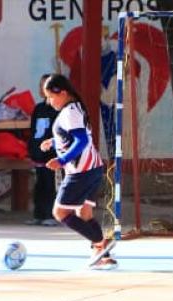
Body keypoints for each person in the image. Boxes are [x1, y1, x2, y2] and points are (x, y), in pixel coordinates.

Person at [40, 74, 116, 269]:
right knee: (84, 212)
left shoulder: (69, 112)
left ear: (63, 93)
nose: (49, 102)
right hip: (94, 168)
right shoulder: (75, 108)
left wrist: (62, 160)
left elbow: (82, 140)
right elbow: (74, 134)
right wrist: (54, 141)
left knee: (60, 212)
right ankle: (101, 254)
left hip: (81, 171)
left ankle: (100, 242)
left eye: (50, 97)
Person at [27, 74, 59, 226]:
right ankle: (38, 214)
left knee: (49, 184)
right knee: (39, 185)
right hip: (38, 154)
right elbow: (33, 131)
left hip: (51, 155)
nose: (43, 89)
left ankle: (50, 215)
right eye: (41, 86)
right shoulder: (38, 109)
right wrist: (32, 149)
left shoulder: (58, 109)